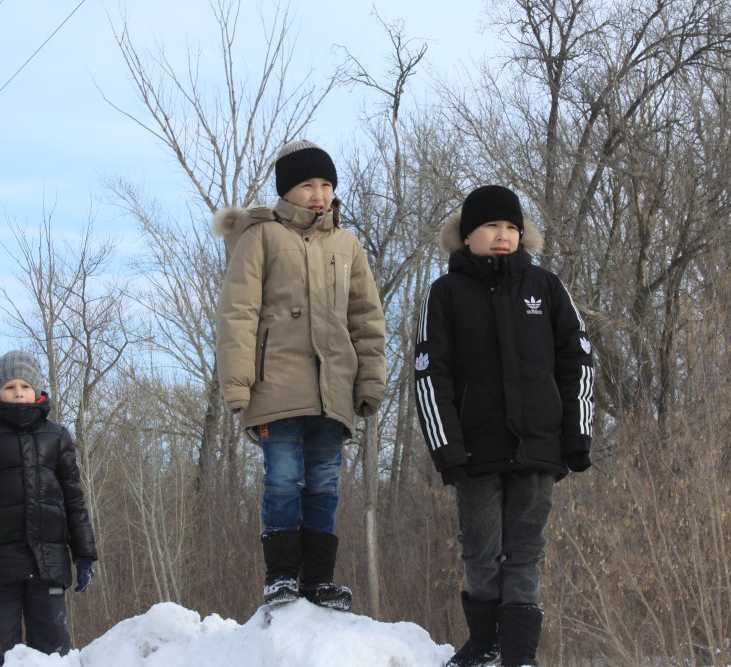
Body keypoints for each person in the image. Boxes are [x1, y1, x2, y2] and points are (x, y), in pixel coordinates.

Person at [414, 185, 595, 667]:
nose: (502, 235)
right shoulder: (445, 294)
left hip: (539, 446)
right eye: (491, 226)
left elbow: (578, 361)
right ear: (466, 236)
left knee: (526, 549)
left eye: (512, 227)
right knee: (480, 548)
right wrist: (446, 447)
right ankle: (485, 642)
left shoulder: (546, 287)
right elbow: (430, 374)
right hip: (475, 450)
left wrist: (577, 435)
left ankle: (518, 654)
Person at [214, 140, 386, 612]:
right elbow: (238, 312)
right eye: (308, 184)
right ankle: (282, 577)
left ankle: (318, 580)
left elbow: (366, 320)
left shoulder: (347, 246)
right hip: (276, 386)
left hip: (334, 390)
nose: (318, 194)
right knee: (284, 478)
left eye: (326, 184)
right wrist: (237, 382)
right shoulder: (260, 237)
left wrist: (370, 381)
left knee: (325, 482)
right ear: (286, 190)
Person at [0, 350, 97, 666]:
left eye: (25, 386)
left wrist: (84, 555)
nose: (18, 392)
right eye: (10, 386)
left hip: (49, 564)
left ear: (37, 390)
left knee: (54, 651)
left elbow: (74, 501)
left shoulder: (58, 437)